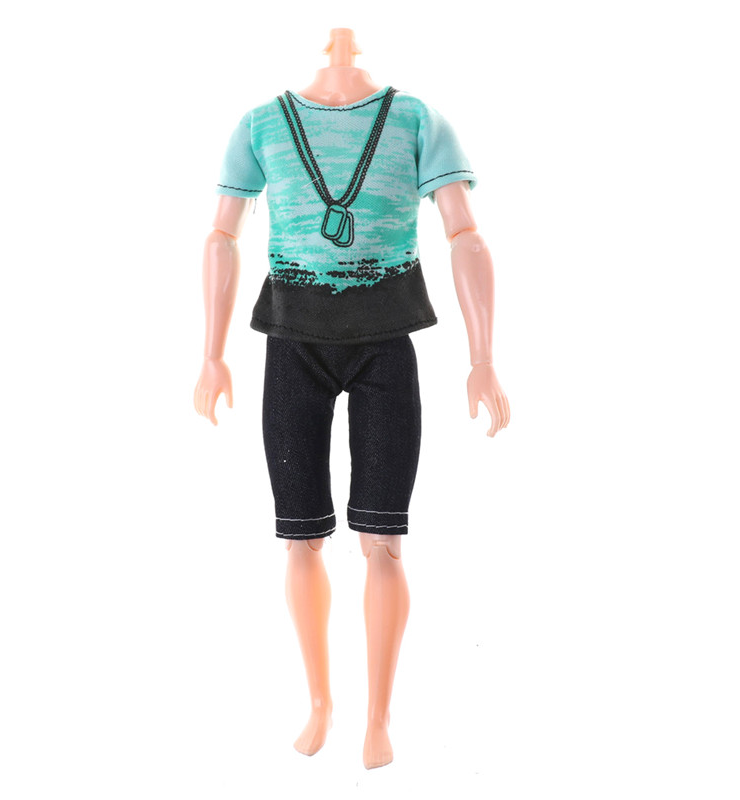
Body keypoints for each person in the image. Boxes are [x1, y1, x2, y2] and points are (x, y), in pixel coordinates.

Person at [194, 28, 509, 770]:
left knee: (384, 538)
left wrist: (483, 357)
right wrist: (210, 354)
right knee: (300, 536)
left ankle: (378, 717)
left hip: (385, 343)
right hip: (292, 343)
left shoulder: (416, 119)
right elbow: (219, 236)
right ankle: (319, 703)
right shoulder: (262, 124)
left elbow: (465, 233)